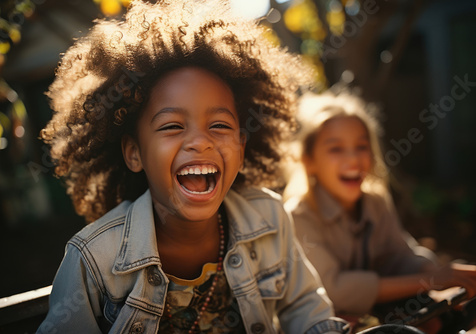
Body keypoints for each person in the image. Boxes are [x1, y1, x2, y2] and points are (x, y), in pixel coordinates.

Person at [36, 1, 350, 333]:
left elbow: (305, 309)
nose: (200, 142)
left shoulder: (270, 219)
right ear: (134, 153)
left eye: (220, 126)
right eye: (172, 126)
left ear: (242, 148)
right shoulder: (94, 260)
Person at [284, 89, 476, 332]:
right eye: (336, 149)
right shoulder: (299, 215)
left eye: (361, 147)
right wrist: (431, 280)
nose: (353, 159)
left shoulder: (375, 202)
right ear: (308, 160)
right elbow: (336, 290)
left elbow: (401, 255)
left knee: (440, 319)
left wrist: (438, 273)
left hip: (379, 312)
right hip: (328, 322)